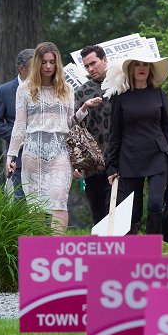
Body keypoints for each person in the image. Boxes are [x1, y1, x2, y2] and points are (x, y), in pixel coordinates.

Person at [105, 48, 168, 235]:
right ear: (131, 69)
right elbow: (115, 134)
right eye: (137, 64)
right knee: (133, 210)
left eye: (145, 64)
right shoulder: (120, 98)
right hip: (130, 158)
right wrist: (112, 166)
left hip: (158, 155)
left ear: (150, 69)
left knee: (155, 203)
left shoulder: (159, 94)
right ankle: (133, 252)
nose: (141, 68)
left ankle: (152, 249)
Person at [6, 42, 75, 235]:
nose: (48, 66)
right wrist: (11, 155)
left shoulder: (67, 89)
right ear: (37, 63)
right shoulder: (24, 90)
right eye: (44, 62)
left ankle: (57, 250)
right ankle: (40, 253)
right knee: (36, 207)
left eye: (52, 62)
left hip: (60, 151)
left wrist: (83, 112)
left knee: (59, 201)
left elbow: (71, 123)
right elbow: (19, 125)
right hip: (32, 152)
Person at [72, 45, 111, 226]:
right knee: (99, 214)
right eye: (86, 66)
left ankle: (127, 252)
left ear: (104, 60)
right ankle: (103, 253)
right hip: (93, 162)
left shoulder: (122, 85)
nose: (90, 69)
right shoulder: (81, 92)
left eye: (93, 63)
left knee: (123, 212)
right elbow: (73, 128)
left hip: (121, 159)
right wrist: (75, 161)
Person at [0, 48, 34, 200]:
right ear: (22, 69)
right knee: (22, 204)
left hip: (46, 160)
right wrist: (19, 136)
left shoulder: (47, 89)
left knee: (47, 208)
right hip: (20, 159)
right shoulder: (5, 90)